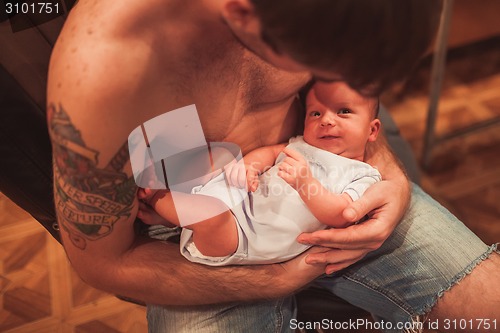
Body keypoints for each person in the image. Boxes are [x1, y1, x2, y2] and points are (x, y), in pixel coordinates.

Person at [46, 0, 499, 332]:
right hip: (202, 231)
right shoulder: (108, 71)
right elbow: (104, 264)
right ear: (242, 13)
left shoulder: (313, 17)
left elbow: (346, 109)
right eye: (319, 66)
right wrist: (273, 277)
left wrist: (393, 181)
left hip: (324, 172)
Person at [137, 81, 382, 266]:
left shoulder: (363, 175)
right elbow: (267, 154)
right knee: (220, 164)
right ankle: (174, 220)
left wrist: (305, 183)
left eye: (344, 112)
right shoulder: (298, 145)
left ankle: (158, 198)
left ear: (372, 130)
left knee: (212, 216)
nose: (326, 120)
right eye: (315, 113)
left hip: (244, 239)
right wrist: (249, 167)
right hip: (239, 203)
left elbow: (341, 215)